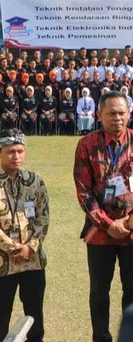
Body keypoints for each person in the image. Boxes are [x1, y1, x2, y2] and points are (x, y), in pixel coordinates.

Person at [73, 91, 133, 342]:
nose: (117, 118)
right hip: (99, 234)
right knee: (99, 292)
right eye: (111, 113)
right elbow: (83, 190)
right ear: (100, 115)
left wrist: (131, 221)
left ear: (129, 113)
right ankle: (101, 337)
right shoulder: (86, 145)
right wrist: (108, 224)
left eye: (122, 113)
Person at [0, 128, 49, 342]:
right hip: (3, 265)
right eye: (11, 151)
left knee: (34, 318)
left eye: (20, 151)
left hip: (33, 262)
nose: (16, 156)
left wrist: (31, 246)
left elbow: (43, 216)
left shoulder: (35, 180)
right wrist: (13, 248)